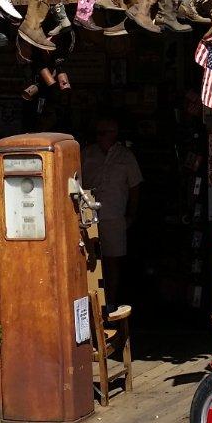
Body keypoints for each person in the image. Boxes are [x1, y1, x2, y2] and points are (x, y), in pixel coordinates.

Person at [80, 114, 142, 306]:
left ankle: (110, 303)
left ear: (114, 133)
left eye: (105, 132)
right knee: (88, 260)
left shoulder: (125, 156)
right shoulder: (86, 153)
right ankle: (91, 304)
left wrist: (131, 215)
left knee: (112, 262)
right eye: (99, 132)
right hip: (88, 216)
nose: (101, 136)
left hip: (114, 215)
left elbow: (135, 187)